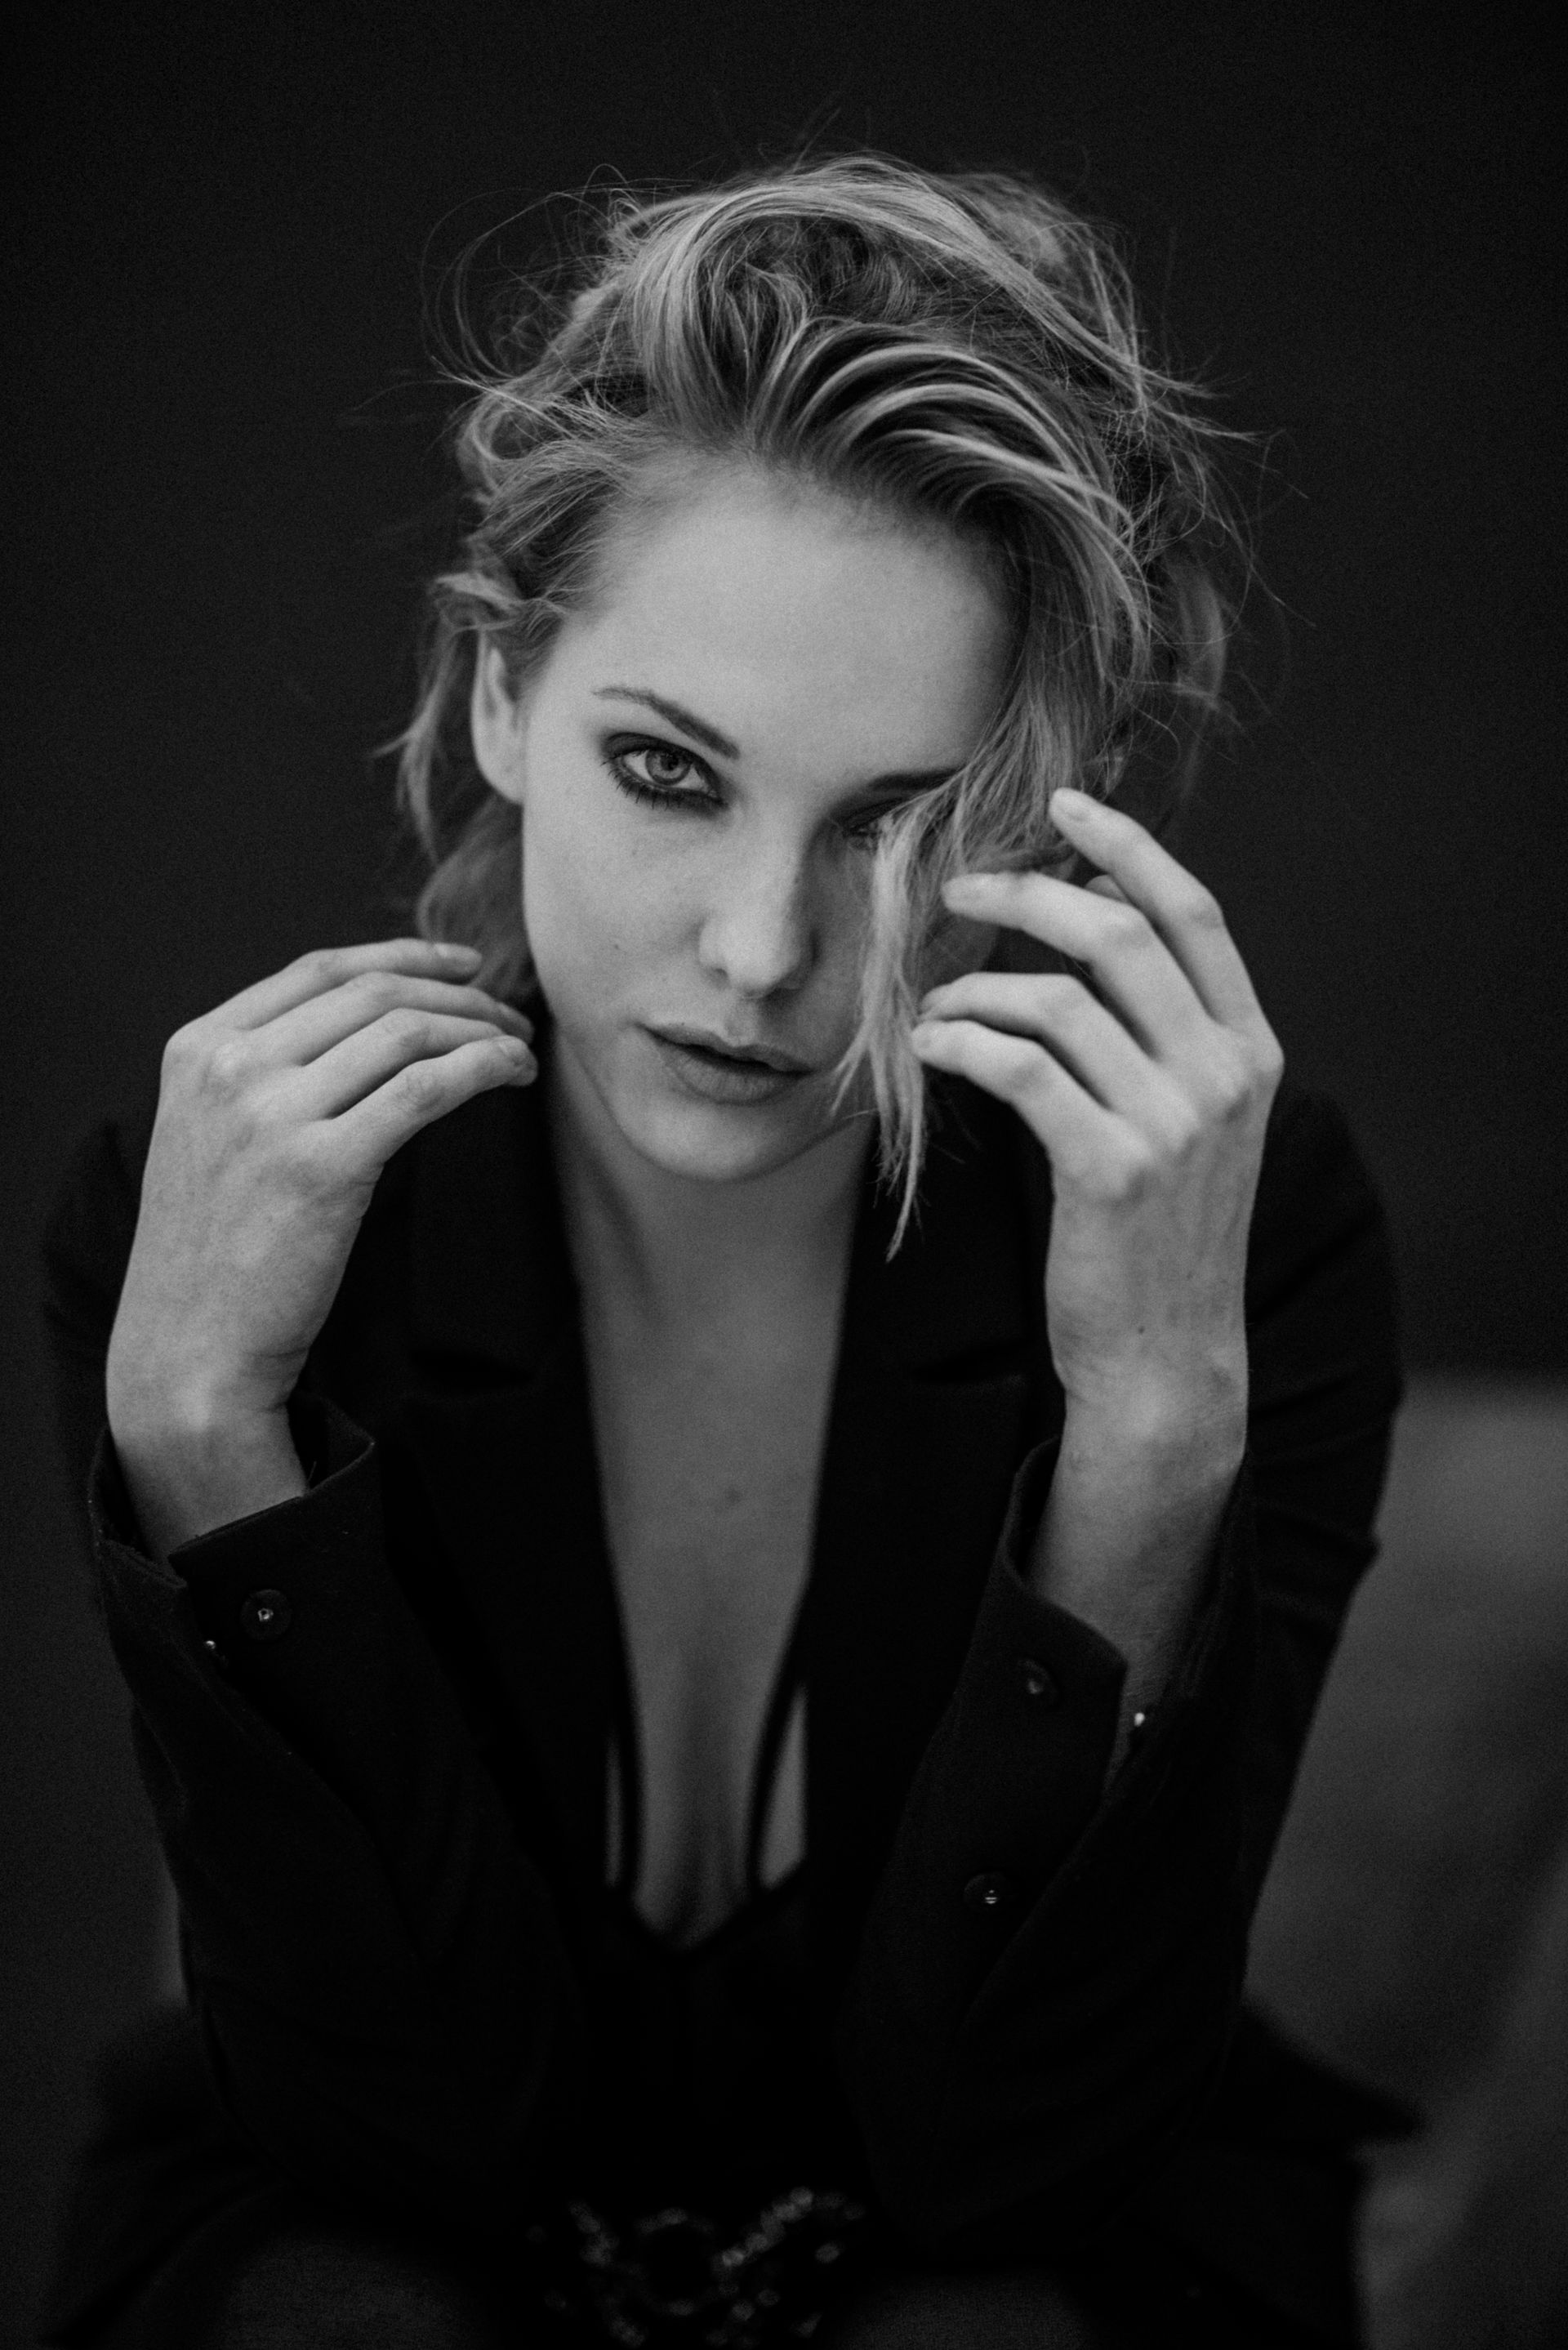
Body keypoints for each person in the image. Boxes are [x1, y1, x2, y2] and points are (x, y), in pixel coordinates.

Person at [39, 154, 1405, 2348]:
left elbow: (1015, 2165)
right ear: (503, 698)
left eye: (900, 822)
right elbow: (394, 2131)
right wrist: (203, 1431)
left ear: (1054, 820)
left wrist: (1151, 1435)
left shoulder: (1241, 1222)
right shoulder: (227, 1215)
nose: (765, 951)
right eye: (670, 773)